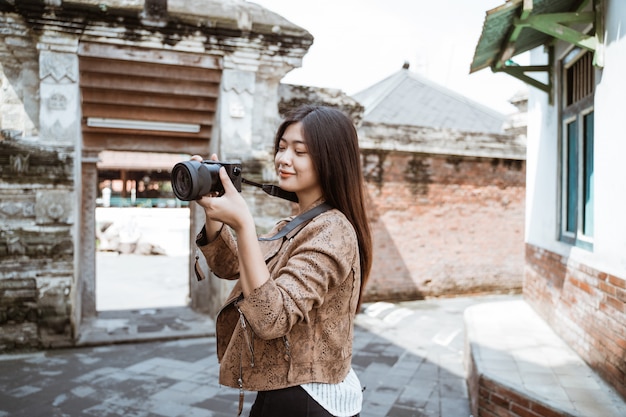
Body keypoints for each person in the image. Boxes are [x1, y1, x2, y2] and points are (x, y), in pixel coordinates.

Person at [193, 105, 372, 417]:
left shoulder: (332, 231)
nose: (283, 159)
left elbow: (271, 318)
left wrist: (244, 224)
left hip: (308, 399)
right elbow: (232, 267)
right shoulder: (296, 224)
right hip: (284, 387)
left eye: (300, 152)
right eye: (281, 147)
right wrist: (213, 211)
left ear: (330, 160)